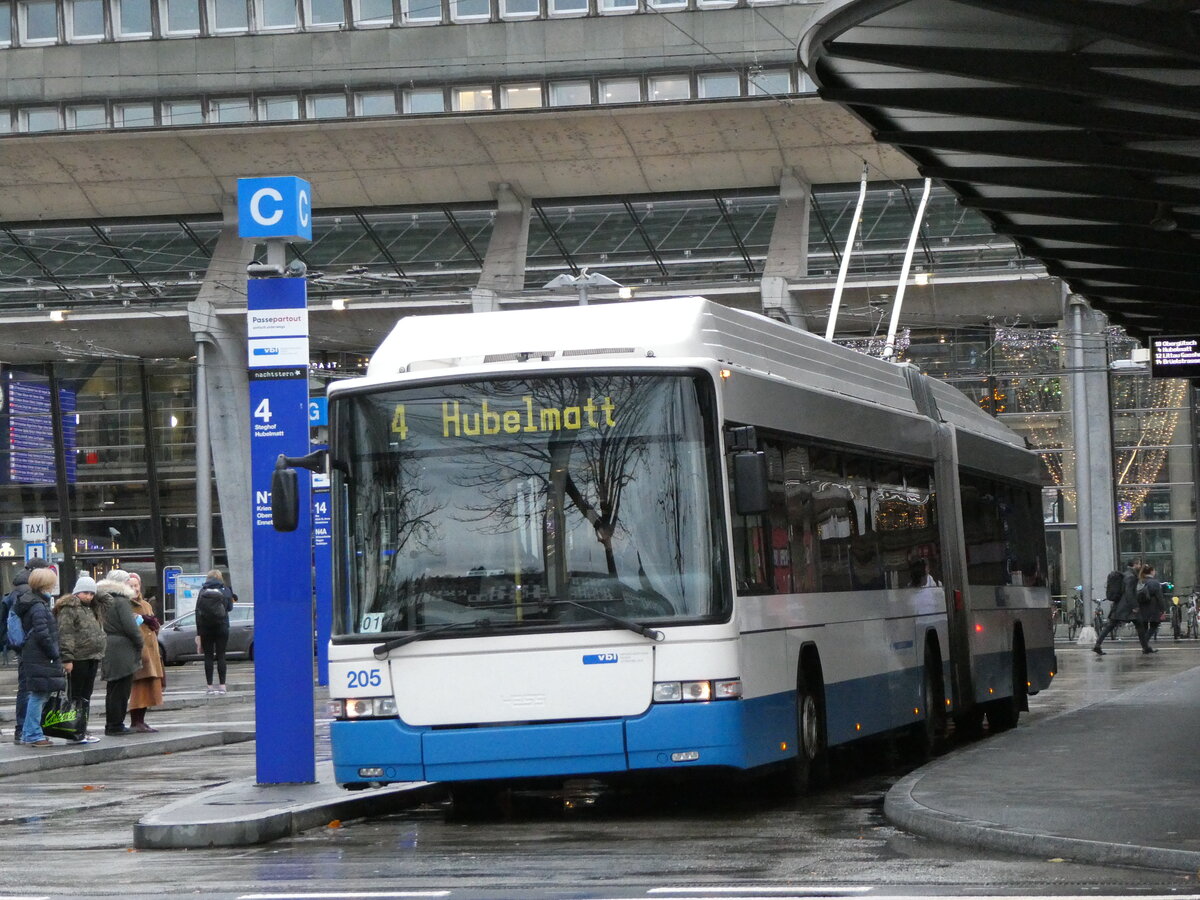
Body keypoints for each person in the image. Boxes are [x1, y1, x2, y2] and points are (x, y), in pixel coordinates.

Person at [15, 567, 66, 747]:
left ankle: (30, 733)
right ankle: (32, 734)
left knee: (38, 694)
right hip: (40, 656)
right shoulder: (38, 606)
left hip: (34, 654)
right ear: (45, 584)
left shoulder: (33, 603)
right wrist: (54, 653)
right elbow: (42, 633)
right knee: (38, 695)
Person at [53, 574, 107, 744]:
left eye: (92, 594)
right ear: (77, 592)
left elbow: (110, 602)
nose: (89, 597)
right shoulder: (69, 608)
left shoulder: (92, 607)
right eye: (86, 593)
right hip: (78, 658)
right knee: (76, 695)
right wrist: (67, 658)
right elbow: (66, 634)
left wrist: (98, 591)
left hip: (92, 656)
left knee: (86, 695)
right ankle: (74, 729)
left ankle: (82, 727)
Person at [6, 558, 51, 743]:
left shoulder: (19, 590)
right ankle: (27, 729)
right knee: (31, 690)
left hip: (24, 647)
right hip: (31, 648)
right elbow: (38, 626)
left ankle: (25, 729)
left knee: (28, 688)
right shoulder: (29, 593)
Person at [98, 570, 143, 735]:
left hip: (108, 644)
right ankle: (116, 725)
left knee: (113, 688)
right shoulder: (121, 601)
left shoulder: (103, 599)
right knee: (122, 689)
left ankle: (112, 724)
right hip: (122, 647)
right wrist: (140, 642)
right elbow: (131, 627)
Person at [127, 572, 164, 732]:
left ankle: (141, 720)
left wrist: (154, 624)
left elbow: (153, 625)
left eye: (137, 585)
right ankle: (136, 721)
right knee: (138, 689)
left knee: (150, 688)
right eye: (131, 586)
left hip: (151, 651)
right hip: (139, 651)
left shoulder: (146, 604)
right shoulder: (125, 605)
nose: (135, 589)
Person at [195, 569, 234, 696]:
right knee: (221, 655)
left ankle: (210, 687)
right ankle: (222, 686)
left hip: (206, 628)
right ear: (220, 578)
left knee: (208, 657)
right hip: (222, 627)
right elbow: (229, 608)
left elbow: (197, 612)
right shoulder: (226, 590)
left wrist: (199, 633)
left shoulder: (202, 591)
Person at [1093, 559, 1141, 655]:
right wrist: (1134, 606)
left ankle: (1097, 645)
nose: (1140, 566)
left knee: (1110, 626)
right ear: (1134, 565)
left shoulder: (1126, 574)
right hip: (1125, 607)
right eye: (1139, 564)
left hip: (1119, 606)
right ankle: (1145, 647)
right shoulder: (1131, 576)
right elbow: (1129, 592)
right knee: (1139, 625)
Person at [1135, 564, 1167, 655]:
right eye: (1154, 571)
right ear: (1151, 571)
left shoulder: (1140, 581)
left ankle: (1145, 646)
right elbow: (1159, 597)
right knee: (1154, 625)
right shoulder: (1155, 582)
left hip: (1142, 606)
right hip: (1153, 607)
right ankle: (1145, 645)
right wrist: (1163, 609)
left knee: (1144, 626)